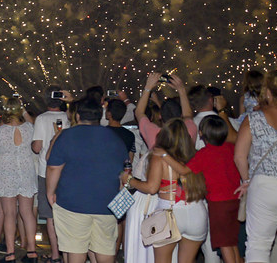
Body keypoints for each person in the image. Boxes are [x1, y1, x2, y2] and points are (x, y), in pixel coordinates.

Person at [46, 98, 128, 263]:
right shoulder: (115, 138)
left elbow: (54, 167)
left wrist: (50, 192)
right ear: (101, 116)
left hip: (72, 202)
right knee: (105, 250)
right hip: (107, 204)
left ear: (77, 116)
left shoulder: (67, 136)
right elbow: (124, 171)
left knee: (75, 249)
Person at [234, 69, 277, 263]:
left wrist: (246, 180)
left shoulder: (253, 118)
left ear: (268, 91)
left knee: (258, 246)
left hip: (265, 188)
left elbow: (239, 156)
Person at [124, 119, 208, 263]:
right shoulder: (197, 155)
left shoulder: (158, 158)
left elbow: (151, 187)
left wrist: (129, 180)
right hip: (197, 212)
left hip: (170, 213)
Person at [0, 97, 37, 263]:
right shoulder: (29, 128)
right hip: (26, 171)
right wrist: (23, 111)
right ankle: (32, 252)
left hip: (7, 172)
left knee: (9, 213)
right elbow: (32, 126)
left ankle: (10, 254)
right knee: (27, 213)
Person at [187, 116, 241, 263]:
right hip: (236, 200)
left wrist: (166, 157)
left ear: (201, 133)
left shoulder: (203, 154)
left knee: (224, 243)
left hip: (218, 203)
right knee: (232, 241)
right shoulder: (232, 148)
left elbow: (185, 170)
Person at [31, 94, 68, 263]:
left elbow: (37, 148)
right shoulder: (69, 118)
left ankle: (55, 255)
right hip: (67, 172)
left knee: (50, 217)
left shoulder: (41, 119)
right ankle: (68, 253)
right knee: (67, 214)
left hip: (46, 172)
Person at [135, 73, 197, 147]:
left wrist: (148, 87)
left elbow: (139, 112)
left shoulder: (154, 134)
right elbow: (188, 115)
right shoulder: (189, 131)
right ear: (181, 115)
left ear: (160, 115)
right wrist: (181, 90)